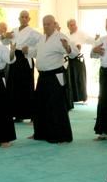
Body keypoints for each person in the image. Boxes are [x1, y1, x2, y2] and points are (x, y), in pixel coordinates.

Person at [30, 15, 77, 143]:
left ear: (54, 24)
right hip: (43, 76)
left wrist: (67, 48)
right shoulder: (42, 38)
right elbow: (36, 52)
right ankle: (40, 133)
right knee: (40, 105)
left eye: (48, 24)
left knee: (57, 106)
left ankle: (61, 136)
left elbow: (74, 52)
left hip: (55, 75)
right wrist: (26, 50)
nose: (46, 26)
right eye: (44, 24)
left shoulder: (60, 37)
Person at [7, 10, 42, 122]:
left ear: (29, 19)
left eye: (26, 17)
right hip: (14, 57)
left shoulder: (33, 32)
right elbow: (4, 42)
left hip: (25, 57)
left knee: (26, 85)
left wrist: (30, 49)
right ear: (19, 18)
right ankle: (17, 114)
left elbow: (42, 42)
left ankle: (31, 115)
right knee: (14, 85)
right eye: (22, 17)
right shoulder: (14, 30)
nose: (24, 18)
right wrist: (4, 36)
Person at [66, 18, 89, 103]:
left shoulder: (81, 33)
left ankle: (82, 97)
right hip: (69, 58)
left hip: (79, 58)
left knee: (80, 77)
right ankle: (73, 97)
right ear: (68, 26)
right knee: (71, 77)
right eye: (71, 25)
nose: (73, 26)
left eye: (74, 24)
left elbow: (90, 40)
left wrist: (96, 39)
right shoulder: (66, 35)